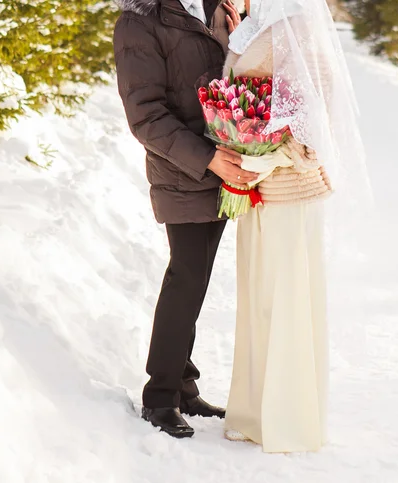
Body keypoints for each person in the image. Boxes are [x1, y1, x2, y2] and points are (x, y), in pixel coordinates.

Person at [222, 0, 370, 452]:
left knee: (286, 301)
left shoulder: (299, 24)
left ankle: (289, 421)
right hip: (256, 189)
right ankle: (253, 413)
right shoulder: (254, 24)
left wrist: (267, 157)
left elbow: (312, 119)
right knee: (259, 299)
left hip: (289, 189)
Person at [113, 0, 255, 439]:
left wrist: (244, 31)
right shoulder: (139, 21)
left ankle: (183, 387)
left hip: (223, 163)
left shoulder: (216, 6)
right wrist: (209, 158)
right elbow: (146, 117)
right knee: (187, 275)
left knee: (199, 275)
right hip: (186, 168)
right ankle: (159, 396)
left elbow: (229, 76)